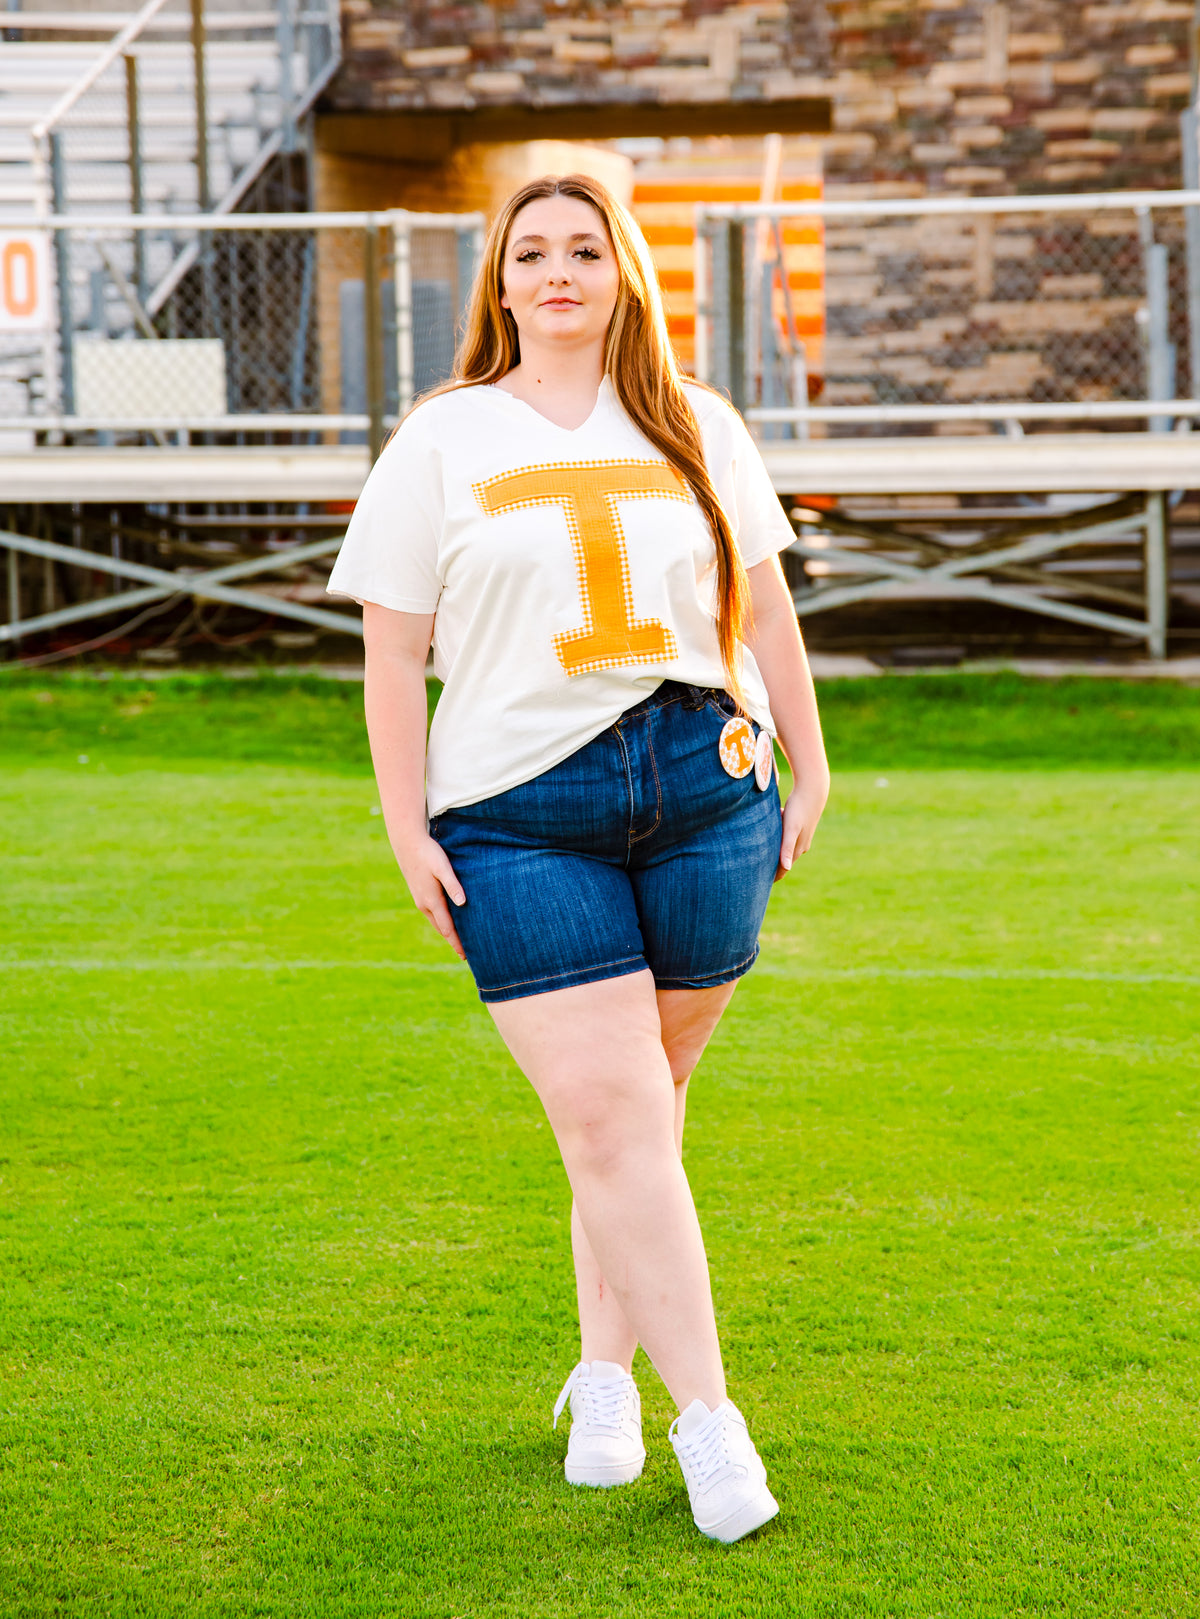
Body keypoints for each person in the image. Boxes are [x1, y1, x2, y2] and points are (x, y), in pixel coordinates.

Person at [327, 173, 829, 1544]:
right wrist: (404, 823)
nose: (558, 271)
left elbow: (762, 598)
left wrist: (813, 753)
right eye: (532, 251)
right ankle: (713, 1431)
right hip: (516, 808)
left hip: (703, 787)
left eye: (585, 249)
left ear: (623, 274)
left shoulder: (696, 424)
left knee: (639, 1125)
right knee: (613, 1119)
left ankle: (601, 1379)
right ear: (500, 282)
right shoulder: (444, 436)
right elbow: (392, 647)